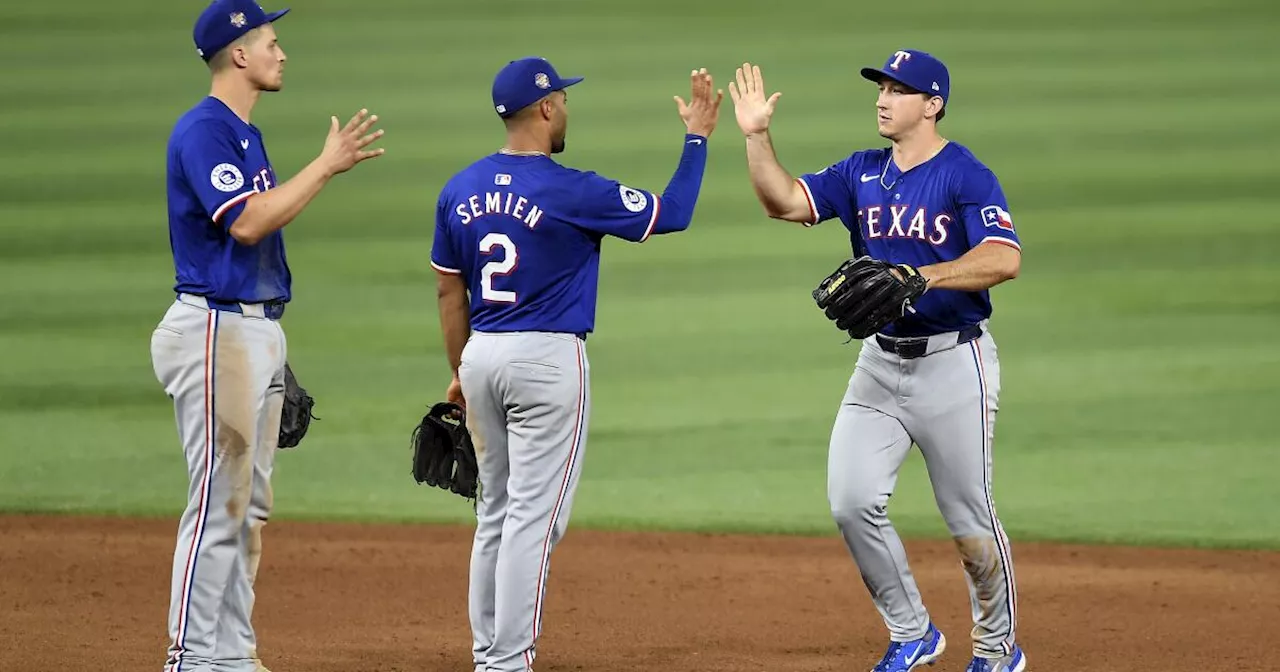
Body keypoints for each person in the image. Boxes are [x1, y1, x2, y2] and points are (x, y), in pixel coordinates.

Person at [727, 51, 1027, 672]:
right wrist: (757, 136)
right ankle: (911, 631)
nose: (883, 99)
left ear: (933, 104)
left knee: (969, 522)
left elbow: (1004, 257)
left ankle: (998, 652)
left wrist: (923, 276)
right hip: (880, 364)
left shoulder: (964, 173)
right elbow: (783, 202)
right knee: (851, 498)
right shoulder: (860, 171)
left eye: (899, 90)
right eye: (882, 88)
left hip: (955, 364)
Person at [430, 57, 722, 672]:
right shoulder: (571, 188)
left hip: (481, 355)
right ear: (542, 108)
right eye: (562, 99)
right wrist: (696, 138)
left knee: (496, 513)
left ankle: (489, 651)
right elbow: (674, 213)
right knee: (534, 522)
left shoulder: (459, 189)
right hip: (545, 362)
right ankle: (507, 661)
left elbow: (448, 292)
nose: (566, 108)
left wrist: (459, 369)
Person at [149, 1, 384, 670]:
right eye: (272, 42)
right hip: (212, 328)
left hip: (248, 330)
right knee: (216, 505)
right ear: (241, 54)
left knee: (248, 511)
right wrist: (327, 165)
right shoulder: (204, 131)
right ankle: (191, 659)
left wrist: (269, 345)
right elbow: (248, 224)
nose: (282, 54)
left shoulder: (246, 135)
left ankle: (230, 655)